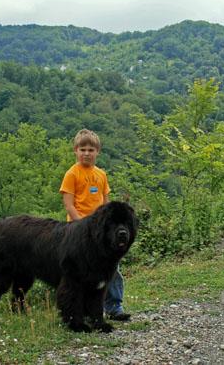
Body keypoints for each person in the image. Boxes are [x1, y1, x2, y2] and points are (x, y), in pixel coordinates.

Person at [59, 129, 130, 321]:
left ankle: (115, 307)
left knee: (111, 269)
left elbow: (106, 205)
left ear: (98, 151)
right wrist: (82, 226)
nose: (86, 153)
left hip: (101, 235)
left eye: (91, 149)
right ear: (75, 150)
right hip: (77, 232)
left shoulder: (101, 174)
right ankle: (80, 309)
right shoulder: (71, 174)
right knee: (80, 273)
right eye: (82, 149)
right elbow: (68, 204)